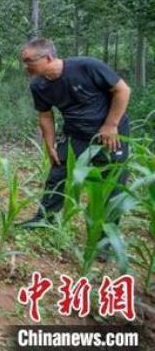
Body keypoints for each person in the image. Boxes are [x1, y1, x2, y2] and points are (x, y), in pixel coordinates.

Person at [19, 38, 131, 227]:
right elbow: (45, 116)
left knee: (111, 183)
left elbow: (122, 90)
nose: (25, 66)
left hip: (109, 132)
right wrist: (50, 144)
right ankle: (44, 220)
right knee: (57, 173)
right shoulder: (38, 85)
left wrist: (111, 125)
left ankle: (104, 239)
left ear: (47, 57)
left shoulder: (87, 66)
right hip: (76, 134)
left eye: (29, 61)